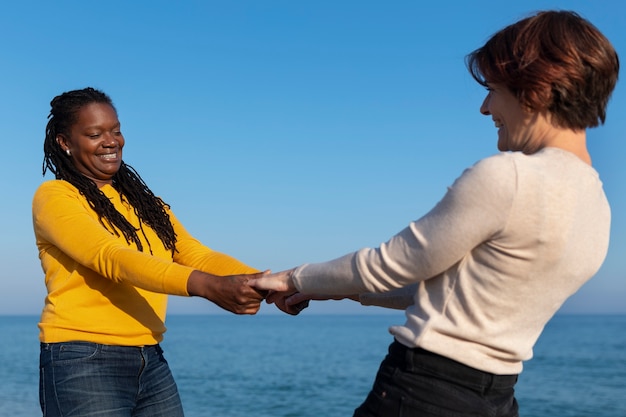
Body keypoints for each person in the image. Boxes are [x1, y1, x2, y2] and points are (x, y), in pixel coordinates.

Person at [249, 10, 619, 417]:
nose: (484, 107)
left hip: (422, 392)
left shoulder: (509, 177)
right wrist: (331, 289)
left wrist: (291, 277)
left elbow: (390, 266)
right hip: (496, 401)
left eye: (493, 89)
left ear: (536, 86)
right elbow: (450, 294)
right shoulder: (597, 207)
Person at [33, 87, 267, 417]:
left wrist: (268, 282)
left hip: (150, 357)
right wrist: (208, 287)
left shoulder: (145, 204)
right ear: (65, 143)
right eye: (94, 133)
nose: (111, 141)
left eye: (115, 130)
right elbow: (112, 257)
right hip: (83, 359)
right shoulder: (56, 196)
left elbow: (193, 254)